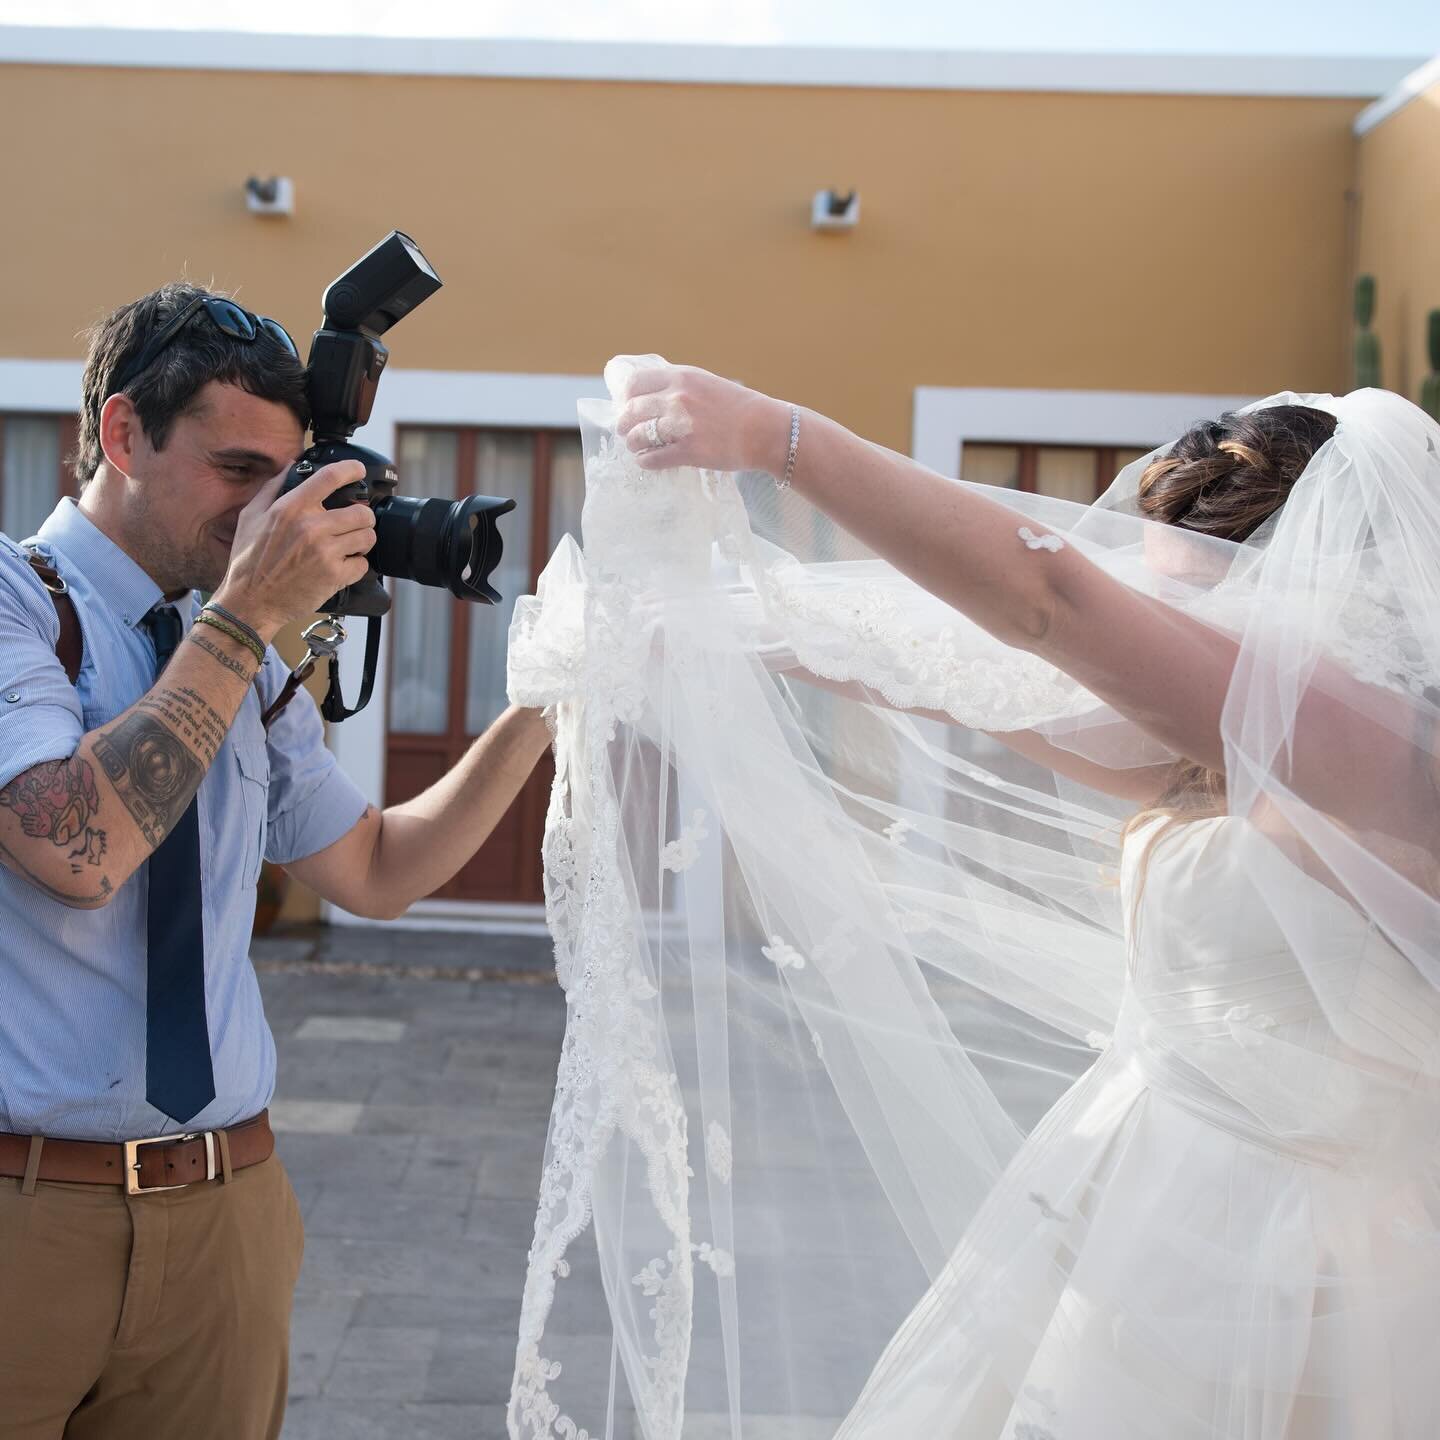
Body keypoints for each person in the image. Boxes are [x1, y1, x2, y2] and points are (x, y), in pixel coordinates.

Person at [502, 359, 1440, 1437]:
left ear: (1337, 581)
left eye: (1206, 600)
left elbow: (1048, 602)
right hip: (1137, 1193)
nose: (1172, 632)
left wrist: (780, 438)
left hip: (1296, 1254)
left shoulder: (1379, 753)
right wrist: (707, 622)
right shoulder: (1230, 757)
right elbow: (981, 681)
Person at [0, 283, 551, 1440]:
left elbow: (380, 870)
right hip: (24, 1214)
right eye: (238, 471)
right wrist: (250, 612)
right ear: (121, 434)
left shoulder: (236, 658)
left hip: (223, 1216)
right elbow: (69, 844)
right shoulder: (21, 604)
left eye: (286, 476)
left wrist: (547, 708)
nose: (269, 513)